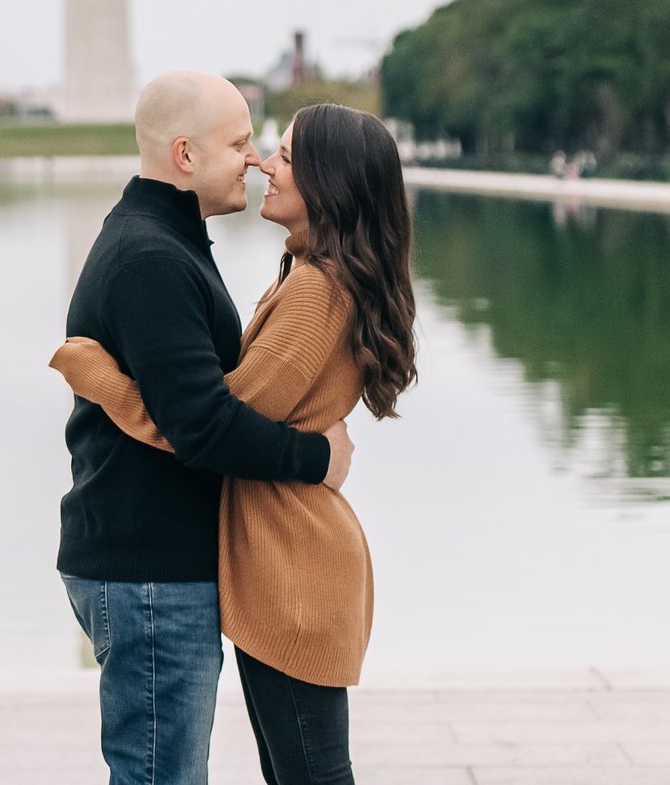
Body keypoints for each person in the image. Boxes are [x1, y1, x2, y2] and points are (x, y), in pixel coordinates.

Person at [55, 103, 419, 785]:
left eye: (283, 154)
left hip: (293, 567)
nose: (263, 164)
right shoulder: (304, 271)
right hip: (281, 556)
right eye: (258, 147)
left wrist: (103, 380)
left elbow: (209, 424)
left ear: (330, 181)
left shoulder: (316, 290)